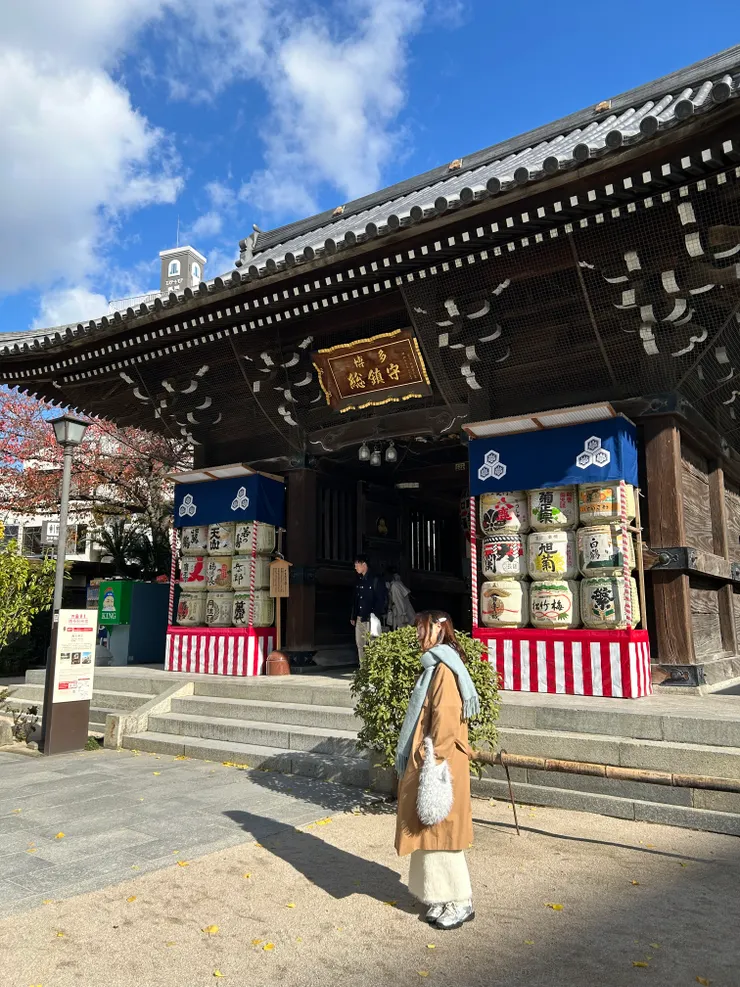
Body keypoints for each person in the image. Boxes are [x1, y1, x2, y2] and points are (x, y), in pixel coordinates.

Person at [394, 610, 480, 931]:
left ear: (439, 631)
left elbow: (445, 719)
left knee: (444, 834)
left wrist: (433, 757)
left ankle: (459, 900)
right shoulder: (436, 666)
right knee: (432, 831)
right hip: (432, 759)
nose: (418, 634)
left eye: (423, 629)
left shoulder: (443, 669)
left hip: (440, 762)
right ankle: (439, 897)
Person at [350, 554, 387, 664]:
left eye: (357, 565)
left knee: (372, 643)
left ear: (364, 565)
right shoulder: (359, 580)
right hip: (360, 616)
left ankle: (373, 669)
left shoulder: (375, 580)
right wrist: (353, 615)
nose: (355, 567)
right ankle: (363, 669)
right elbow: (356, 599)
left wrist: (375, 614)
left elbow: (381, 599)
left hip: (371, 616)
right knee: (360, 644)